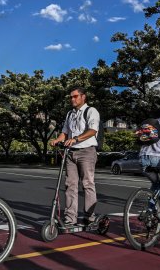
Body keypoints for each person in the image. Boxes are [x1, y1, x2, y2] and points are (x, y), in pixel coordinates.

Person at [50, 87, 100, 225]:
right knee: (70, 185)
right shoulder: (70, 114)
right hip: (70, 152)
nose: (72, 99)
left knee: (87, 184)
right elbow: (65, 132)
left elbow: (92, 130)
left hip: (87, 152)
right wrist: (58, 140)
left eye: (75, 96)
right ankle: (70, 218)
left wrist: (76, 139)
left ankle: (89, 217)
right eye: (71, 97)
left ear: (83, 97)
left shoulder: (91, 111)